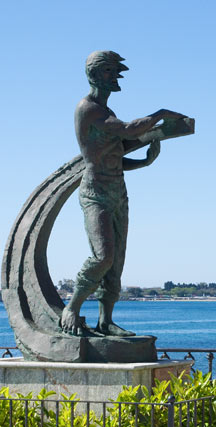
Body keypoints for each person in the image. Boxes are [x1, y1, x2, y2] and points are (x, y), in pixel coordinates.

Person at [59, 51, 184, 336]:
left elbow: (113, 156)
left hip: (118, 190)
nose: (115, 77)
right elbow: (128, 131)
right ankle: (72, 307)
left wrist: (144, 162)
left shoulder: (107, 111)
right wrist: (161, 115)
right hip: (95, 192)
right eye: (109, 72)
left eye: (117, 73)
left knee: (117, 260)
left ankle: (106, 321)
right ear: (93, 74)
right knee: (103, 256)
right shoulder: (88, 108)